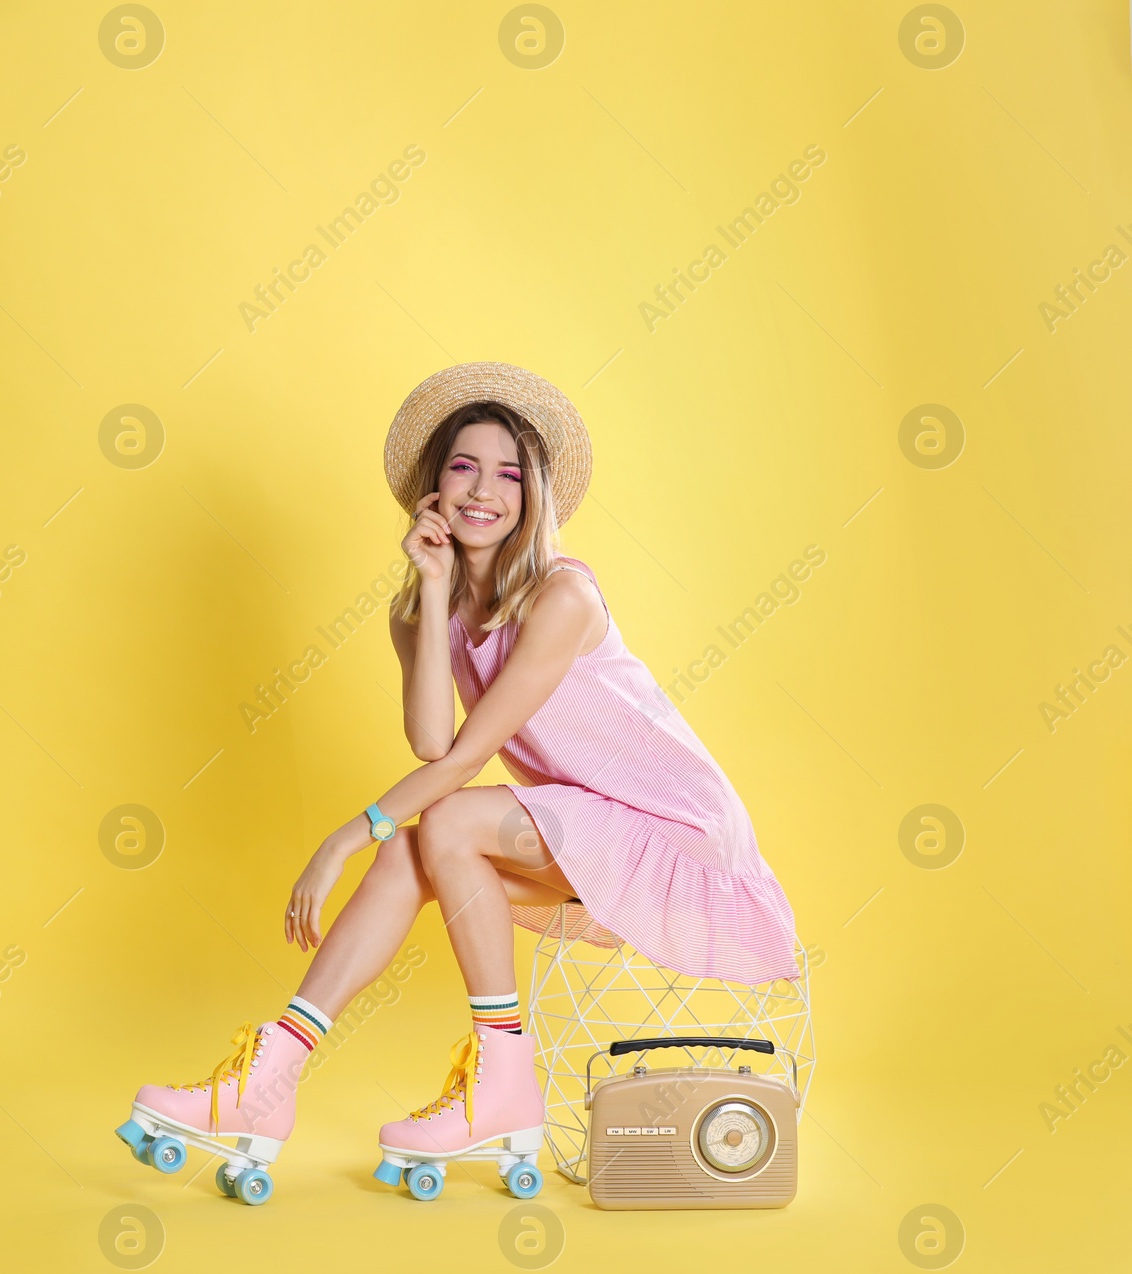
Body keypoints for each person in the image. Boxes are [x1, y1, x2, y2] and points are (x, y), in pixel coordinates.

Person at [115, 362, 801, 1202]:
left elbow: (464, 759)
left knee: (437, 826)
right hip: (578, 822)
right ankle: (268, 1082)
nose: (485, 491)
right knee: (411, 854)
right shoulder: (418, 612)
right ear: (433, 487)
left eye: (510, 474)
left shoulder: (563, 598)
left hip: (676, 831)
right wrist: (434, 590)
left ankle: (501, 1082)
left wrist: (343, 836)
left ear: (535, 497)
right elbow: (431, 738)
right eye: (464, 467)